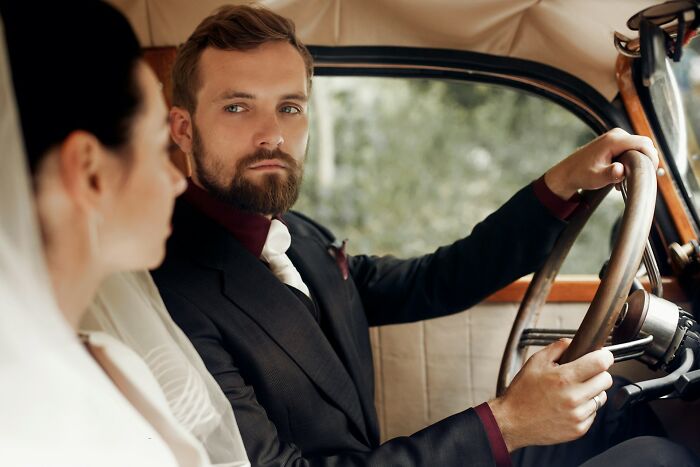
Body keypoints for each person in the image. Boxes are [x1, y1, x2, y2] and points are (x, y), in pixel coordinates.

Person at [152, 4, 699, 466]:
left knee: (622, 418)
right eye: (237, 107)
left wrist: (560, 185)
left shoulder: (290, 230)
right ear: (183, 128)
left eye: (289, 107)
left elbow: (429, 282)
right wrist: (506, 424)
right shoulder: (172, 294)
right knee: (657, 459)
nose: (272, 134)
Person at [0, 2, 248, 466]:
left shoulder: (115, 356)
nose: (176, 180)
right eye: (157, 147)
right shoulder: (25, 430)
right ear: (91, 172)